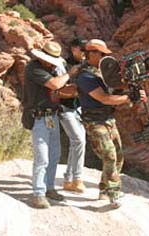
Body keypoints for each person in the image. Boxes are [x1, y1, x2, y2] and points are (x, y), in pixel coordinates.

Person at [75, 39, 147, 208]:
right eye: (102, 54)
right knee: (109, 155)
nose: (104, 58)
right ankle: (114, 193)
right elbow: (104, 98)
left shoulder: (101, 73)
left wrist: (131, 89)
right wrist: (130, 98)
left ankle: (104, 190)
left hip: (108, 119)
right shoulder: (85, 76)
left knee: (118, 156)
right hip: (94, 121)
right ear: (91, 53)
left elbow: (114, 90)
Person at [22, 41, 73, 209]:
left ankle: (49, 188)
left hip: (52, 115)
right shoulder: (33, 68)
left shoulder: (51, 69)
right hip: (39, 117)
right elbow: (55, 85)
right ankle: (38, 193)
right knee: (42, 157)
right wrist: (71, 73)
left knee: (54, 155)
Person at [57, 38, 88, 193]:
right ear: (74, 48)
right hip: (64, 107)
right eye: (82, 49)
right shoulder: (63, 65)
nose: (84, 53)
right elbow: (60, 88)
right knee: (79, 140)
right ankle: (77, 178)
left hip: (78, 108)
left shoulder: (85, 66)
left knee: (77, 142)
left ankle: (69, 180)